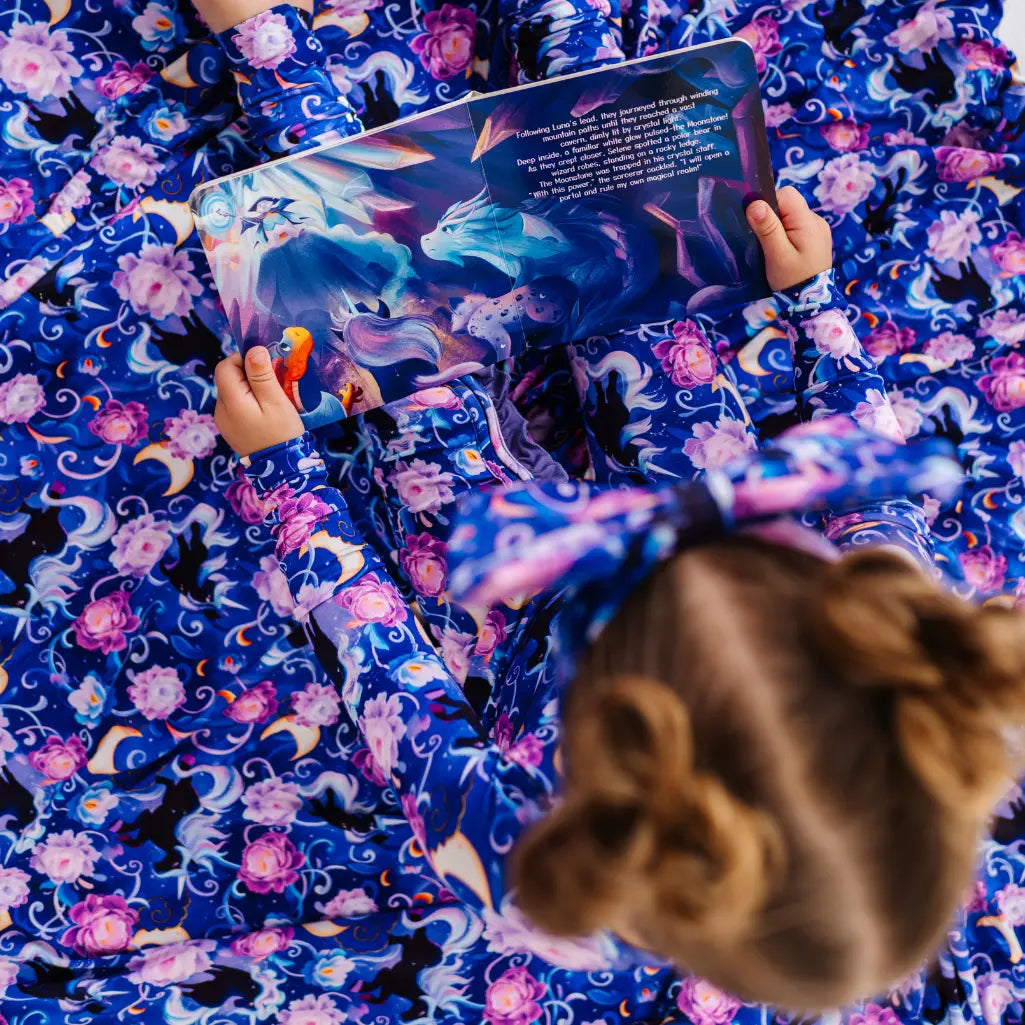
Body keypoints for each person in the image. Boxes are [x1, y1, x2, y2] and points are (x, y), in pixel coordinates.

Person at [214, 177, 1025, 1009]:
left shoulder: (531, 865)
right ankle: (589, 93)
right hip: (705, 472)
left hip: (516, 626)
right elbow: (870, 479)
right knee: (639, 259)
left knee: (383, 335)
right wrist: (811, 297)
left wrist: (284, 474)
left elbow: (380, 663)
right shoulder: (902, 631)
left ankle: (272, 64)